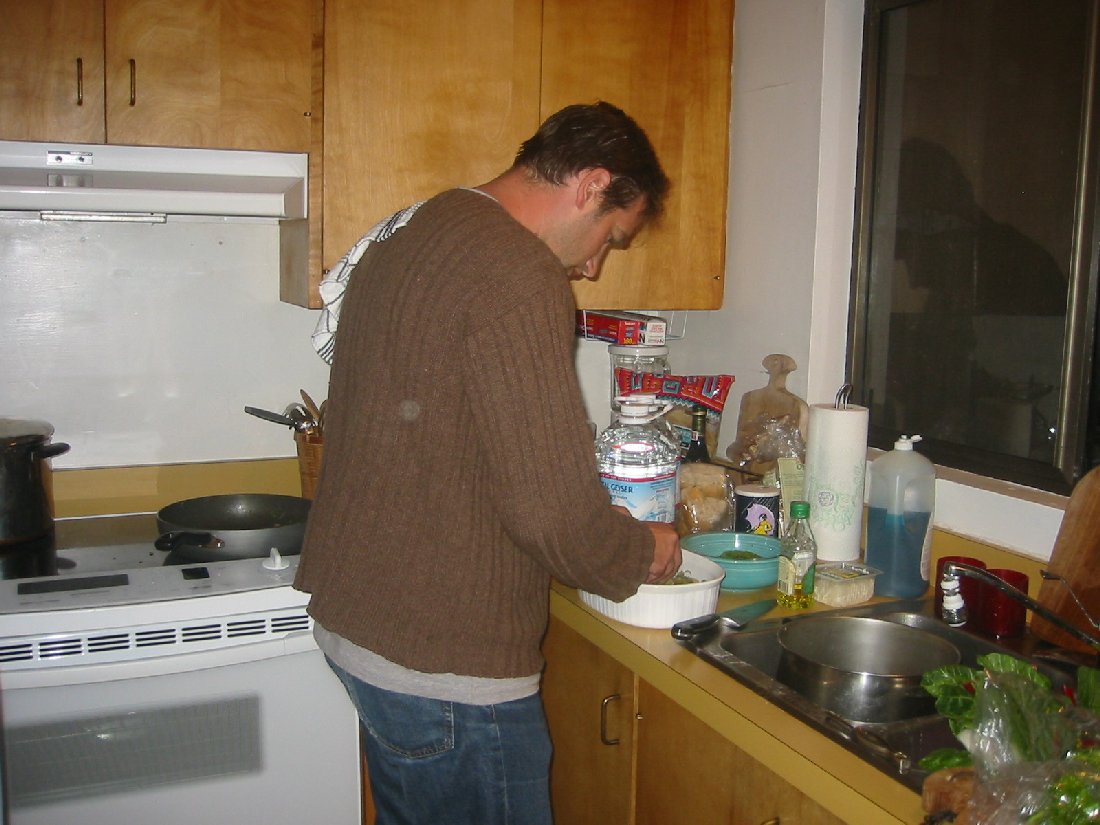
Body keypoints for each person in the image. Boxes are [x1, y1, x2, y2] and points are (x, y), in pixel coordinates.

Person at [294, 101, 681, 825]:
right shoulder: (516, 272)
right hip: (444, 664)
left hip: (365, 624)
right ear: (592, 185)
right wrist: (641, 551)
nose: (591, 266)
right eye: (609, 238)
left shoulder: (418, 227)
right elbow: (554, 518)